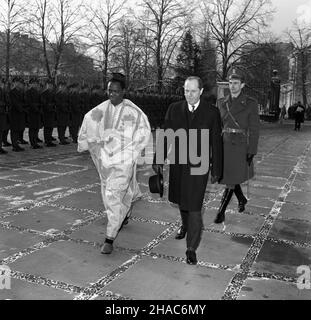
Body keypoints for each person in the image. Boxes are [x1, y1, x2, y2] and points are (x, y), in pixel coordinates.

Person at [152, 76, 223, 265]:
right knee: (181, 200)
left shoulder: (212, 113)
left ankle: (191, 248)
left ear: (200, 91)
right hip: (178, 163)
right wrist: (158, 159)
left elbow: (216, 142)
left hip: (199, 167)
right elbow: (166, 134)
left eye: (193, 91)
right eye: (186, 90)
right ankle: (184, 226)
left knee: (194, 206)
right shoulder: (174, 109)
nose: (189, 95)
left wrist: (217, 168)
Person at [77, 73, 151, 254]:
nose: (112, 94)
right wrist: (90, 143)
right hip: (106, 163)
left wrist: (131, 152)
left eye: (116, 91)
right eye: (109, 91)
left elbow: (143, 131)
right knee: (115, 193)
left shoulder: (133, 112)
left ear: (123, 92)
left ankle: (109, 238)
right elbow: (88, 123)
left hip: (124, 161)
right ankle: (124, 212)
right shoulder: (99, 110)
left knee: (113, 195)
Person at [214, 71, 260, 224]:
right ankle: (241, 198)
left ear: (242, 85)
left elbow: (254, 129)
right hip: (224, 143)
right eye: (230, 83)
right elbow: (216, 125)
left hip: (239, 146)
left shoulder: (250, 103)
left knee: (231, 179)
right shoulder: (221, 102)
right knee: (229, 176)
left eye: (235, 83)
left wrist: (252, 150)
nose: (232, 86)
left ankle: (221, 212)